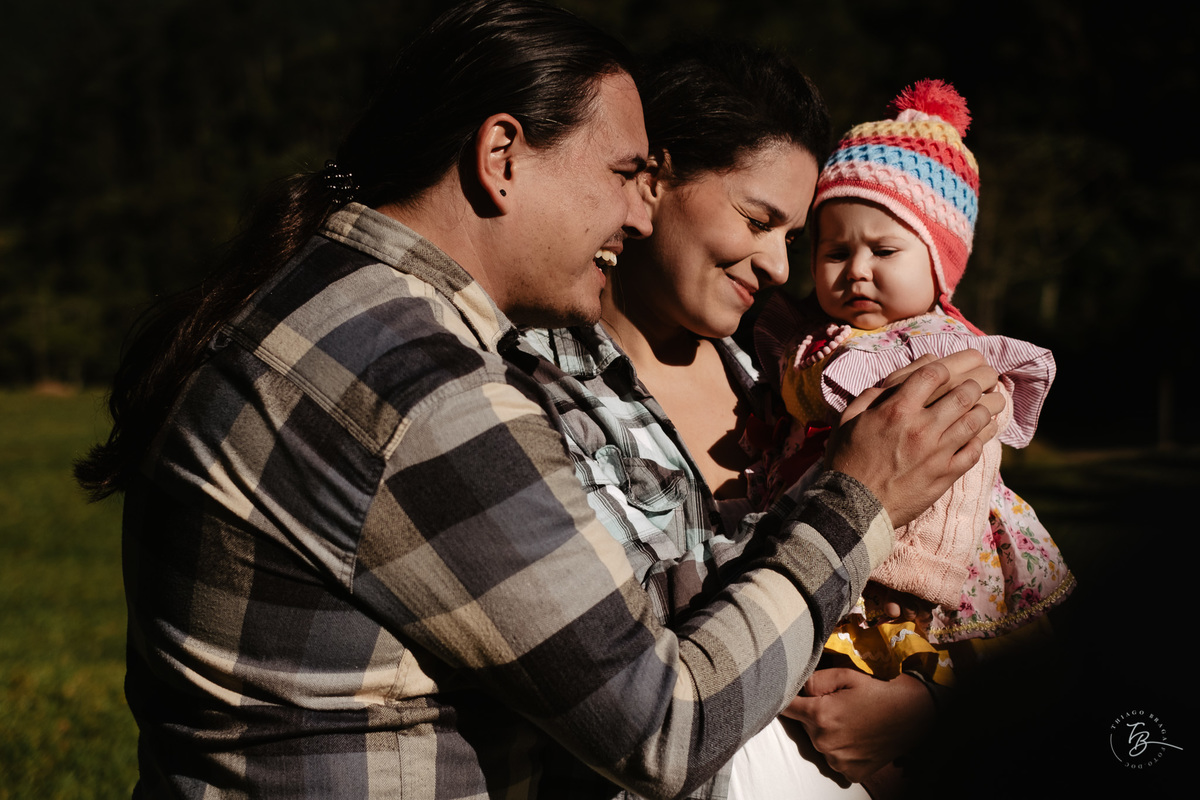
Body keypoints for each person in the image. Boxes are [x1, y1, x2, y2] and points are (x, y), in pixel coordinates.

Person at [76, 2, 1001, 797]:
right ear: (502, 156)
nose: (637, 216)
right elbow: (665, 725)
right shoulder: (415, 385)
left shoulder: (357, 321)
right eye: (623, 176)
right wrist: (858, 500)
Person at [517, 50, 1003, 798]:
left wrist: (924, 707)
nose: (780, 265)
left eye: (794, 238)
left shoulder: (782, 389)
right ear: (653, 182)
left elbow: (977, 588)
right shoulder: (537, 389)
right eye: (757, 220)